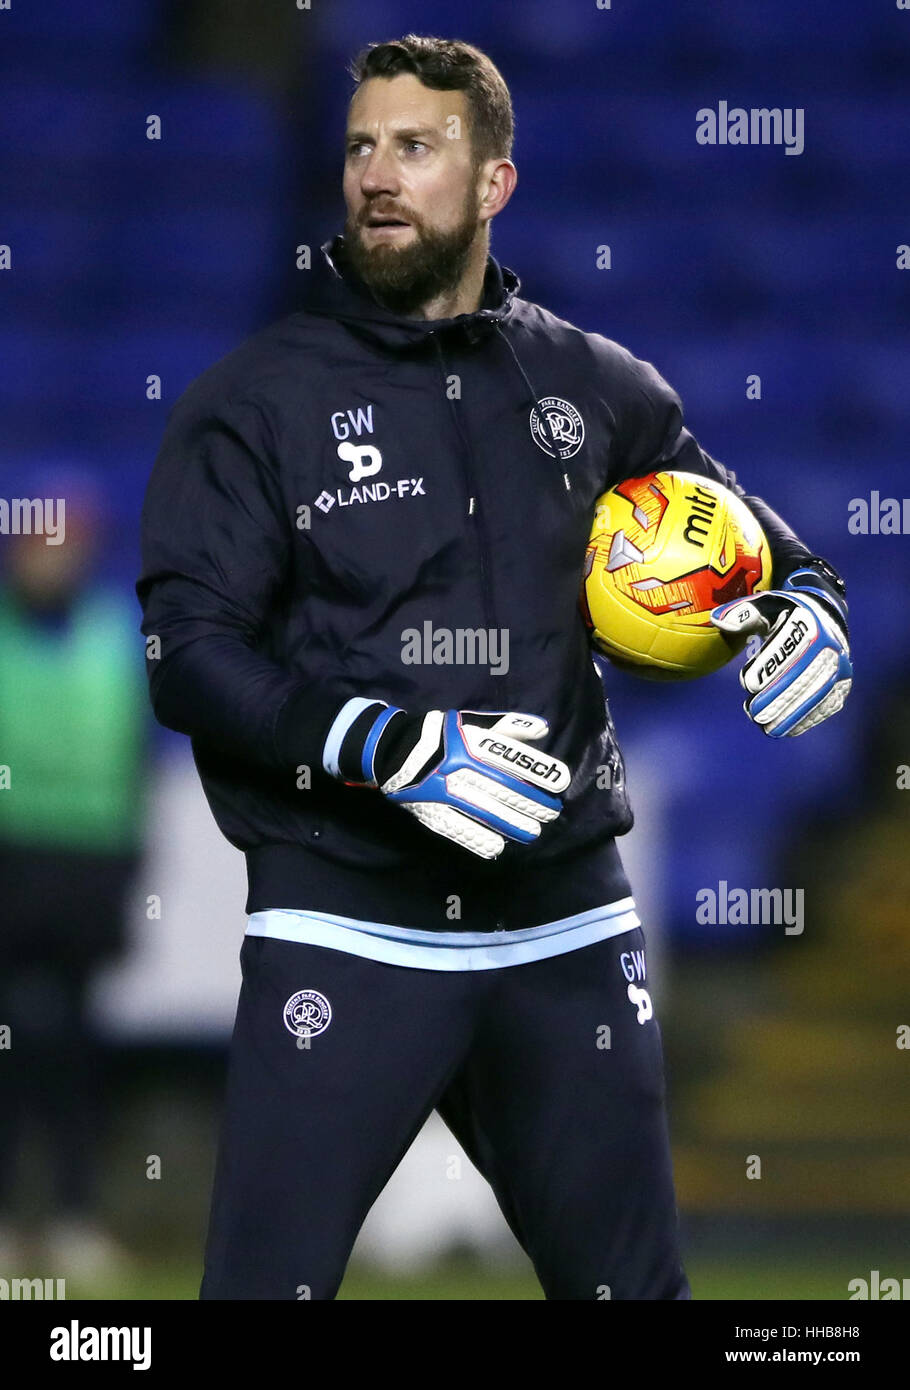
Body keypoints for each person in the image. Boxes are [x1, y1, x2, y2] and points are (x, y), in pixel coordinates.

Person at [136, 35, 852, 1300]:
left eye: (417, 146)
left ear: (494, 182)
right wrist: (385, 744)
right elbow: (190, 661)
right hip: (347, 923)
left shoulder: (597, 387)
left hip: (563, 922)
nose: (377, 174)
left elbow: (765, 553)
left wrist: (806, 611)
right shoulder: (250, 406)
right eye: (361, 145)